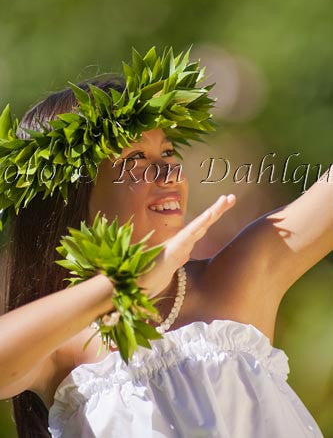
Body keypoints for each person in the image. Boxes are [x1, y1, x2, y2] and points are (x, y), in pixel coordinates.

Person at [0, 71, 329, 437]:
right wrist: (125, 283)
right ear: (70, 194)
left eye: (169, 151)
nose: (169, 170)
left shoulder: (238, 278)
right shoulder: (60, 348)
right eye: (137, 157)